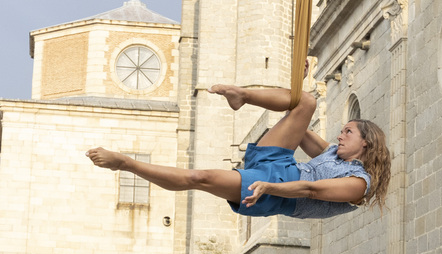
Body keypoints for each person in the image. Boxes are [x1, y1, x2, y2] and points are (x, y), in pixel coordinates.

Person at [87, 84, 390, 219]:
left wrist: (271, 185)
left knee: (201, 177)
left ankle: (125, 164)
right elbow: (299, 128)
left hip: (277, 193)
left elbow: (310, 189)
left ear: (366, 143)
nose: (340, 134)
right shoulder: (331, 154)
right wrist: (297, 88)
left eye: (348, 132)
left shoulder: (357, 185)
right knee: (306, 103)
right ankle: (241, 95)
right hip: (280, 163)